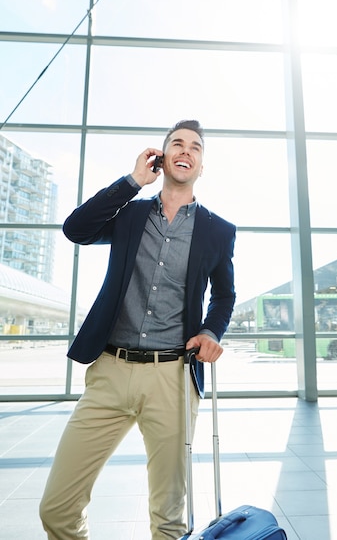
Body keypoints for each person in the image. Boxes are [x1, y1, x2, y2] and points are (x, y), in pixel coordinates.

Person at [39, 120, 236, 540]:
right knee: (56, 510)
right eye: (177, 144)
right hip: (110, 371)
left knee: (169, 521)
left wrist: (212, 332)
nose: (186, 150)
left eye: (195, 147)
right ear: (162, 157)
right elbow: (77, 229)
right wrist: (131, 181)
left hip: (173, 379)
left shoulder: (218, 231)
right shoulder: (129, 215)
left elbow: (223, 296)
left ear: (202, 164)